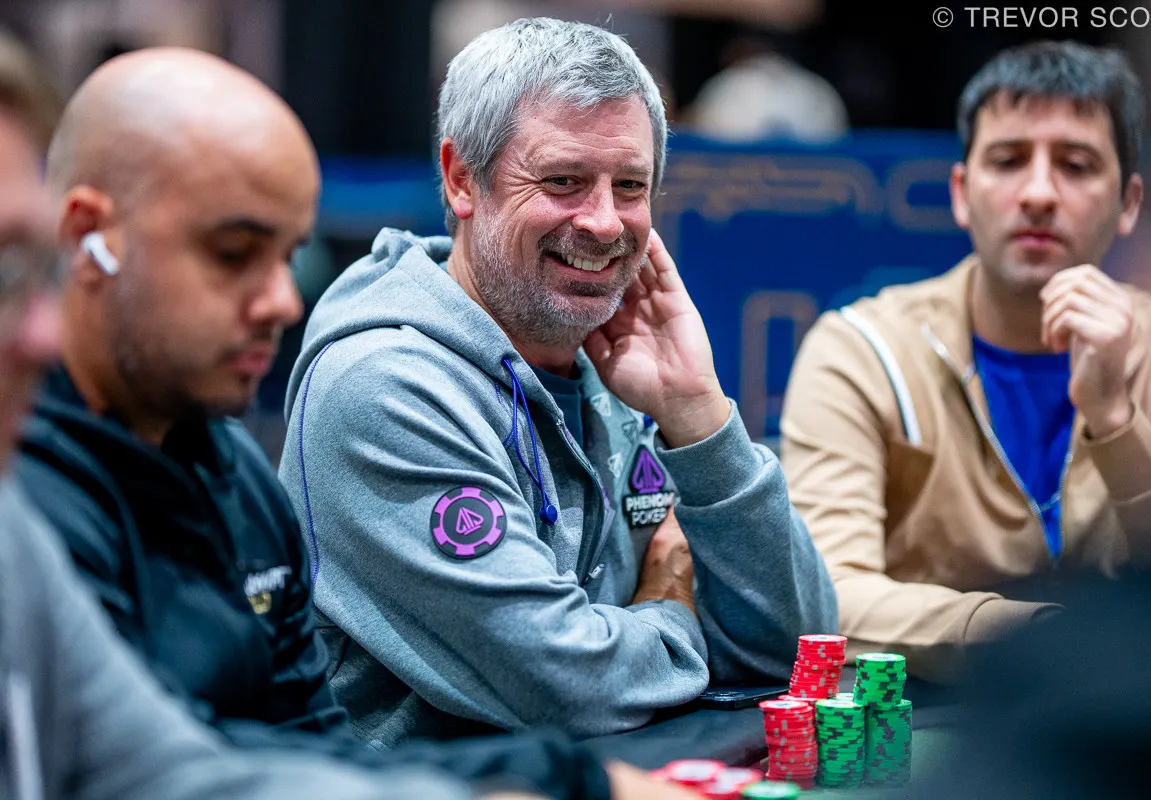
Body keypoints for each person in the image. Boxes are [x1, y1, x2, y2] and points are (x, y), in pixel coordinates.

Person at [12, 44, 689, 800]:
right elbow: (173, 776)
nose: (283, 301)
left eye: (288, 256)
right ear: (86, 240)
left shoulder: (234, 476)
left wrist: (569, 780)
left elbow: (313, 750)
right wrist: (576, 770)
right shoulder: (29, 507)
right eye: (232, 254)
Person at [277, 16, 837, 745]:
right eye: (563, 181)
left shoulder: (627, 365)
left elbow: (801, 651)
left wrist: (698, 416)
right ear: (461, 179)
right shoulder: (383, 388)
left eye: (630, 186)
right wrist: (671, 600)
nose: (604, 223)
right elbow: (566, 689)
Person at [779, 40, 1151, 684]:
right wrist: (1043, 637)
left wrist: (1115, 418)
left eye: (1076, 164)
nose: (1039, 193)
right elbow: (829, 594)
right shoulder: (863, 349)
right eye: (1008, 160)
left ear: (1130, 202)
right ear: (962, 193)